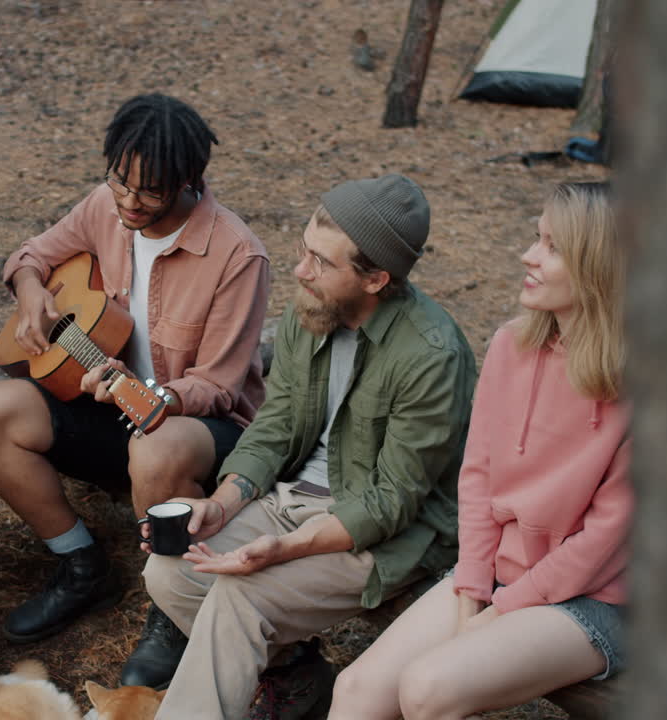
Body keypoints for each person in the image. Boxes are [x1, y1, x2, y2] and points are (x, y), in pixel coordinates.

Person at [138, 174, 476, 720]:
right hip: (293, 500)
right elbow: (276, 424)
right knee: (170, 573)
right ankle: (293, 674)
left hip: (383, 533)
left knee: (239, 599)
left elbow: (392, 501)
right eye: (303, 251)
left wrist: (287, 550)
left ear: (375, 279)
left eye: (322, 262)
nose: (300, 271)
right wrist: (221, 504)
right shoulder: (310, 313)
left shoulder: (432, 355)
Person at [0, 94, 270, 661]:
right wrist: (30, 289)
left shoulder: (236, 255)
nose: (128, 200)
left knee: (155, 446)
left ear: (187, 180)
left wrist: (150, 396)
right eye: (120, 181)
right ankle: (81, 561)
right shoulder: (106, 205)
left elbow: (218, 387)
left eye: (149, 190)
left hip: (201, 432)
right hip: (111, 411)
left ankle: (171, 607)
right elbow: (31, 256)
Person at [328, 182, 631, 720]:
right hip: (497, 572)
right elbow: (479, 478)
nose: (528, 255)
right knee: (355, 692)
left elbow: (604, 542)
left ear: (598, 268)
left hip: (592, 598)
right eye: (537, 238)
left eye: (553, 247)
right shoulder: (511, 346)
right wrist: (472, 586)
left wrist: (501, 610)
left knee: (427, 688)